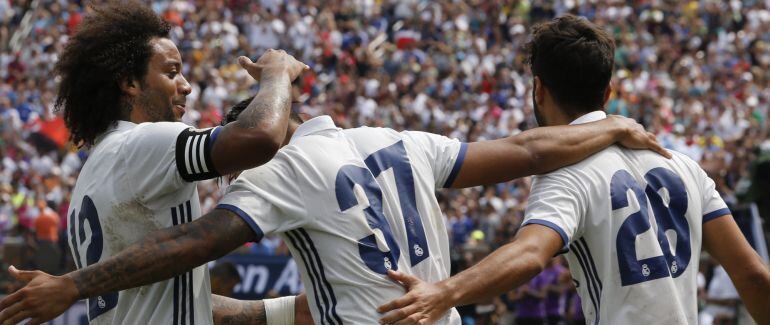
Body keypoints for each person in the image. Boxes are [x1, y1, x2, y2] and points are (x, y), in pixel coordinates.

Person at [0, 87, 667, 325]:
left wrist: (73, 286)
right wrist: (611, 126)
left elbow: (196, 242)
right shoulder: (399, 137)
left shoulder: (279, 167)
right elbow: (526, 149)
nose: (233, 180)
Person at [376, 14, 770, 325]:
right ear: (608, 93)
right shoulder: (682, 164)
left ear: (539, 89)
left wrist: (443, 293)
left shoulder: (568, 174)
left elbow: (530, 254)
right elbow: (753, 275)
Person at [0, 1, 310, 324]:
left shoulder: (92, 175)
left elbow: (159, 295)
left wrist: (285, 312)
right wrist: (277, 75)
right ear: (130, 84)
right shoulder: (145, 143)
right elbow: (258, 137)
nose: (187, 86)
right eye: (172, 72)